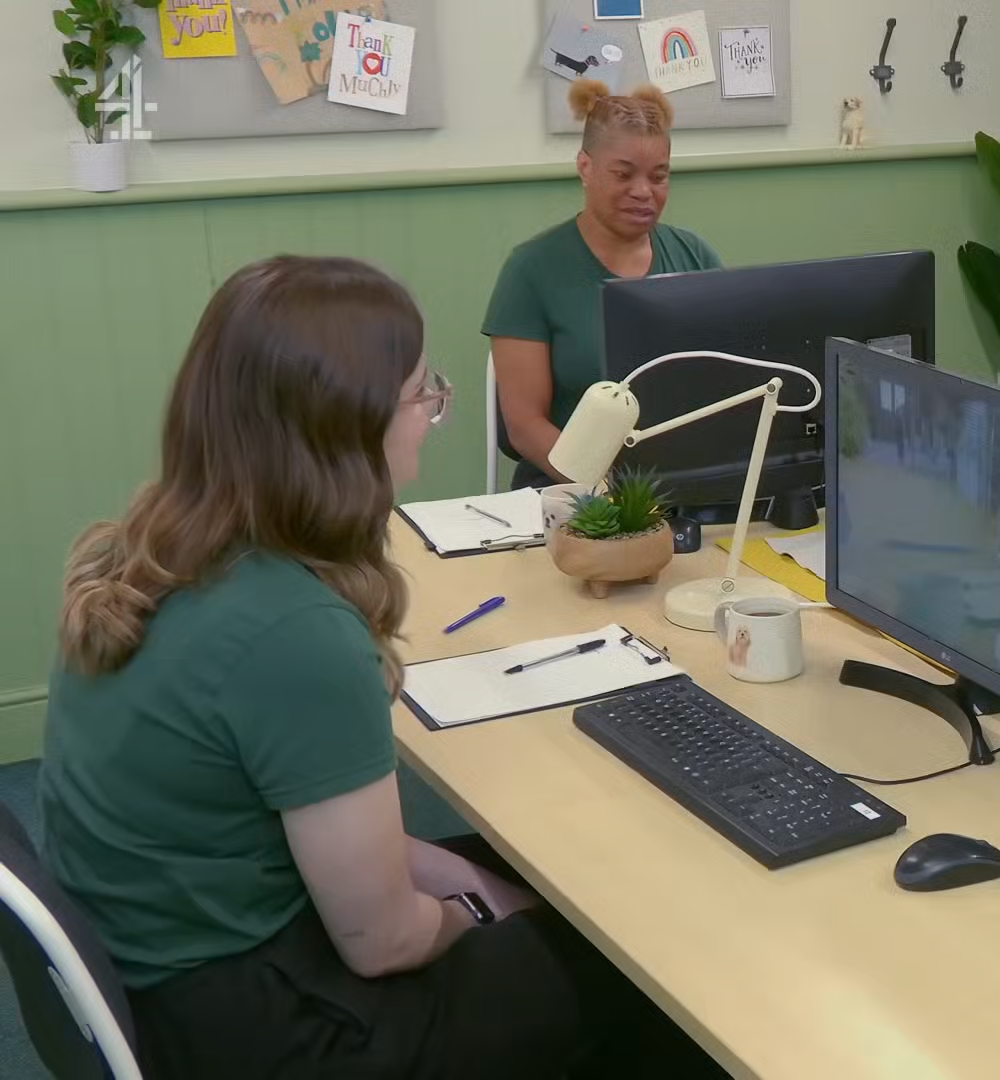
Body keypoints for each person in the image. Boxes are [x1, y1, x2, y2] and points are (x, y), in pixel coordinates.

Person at [39, 256, 724, 1079]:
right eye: (422, 391)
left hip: (163, 973)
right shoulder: (294, 631)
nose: (435, 410)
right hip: (262, 1029)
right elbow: (384, 941)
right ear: (346, 426)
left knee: (559, 889)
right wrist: (479, 912)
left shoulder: (153, 547)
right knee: (655, 970)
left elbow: (344, 840)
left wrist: (485, 890)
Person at [485, 81, 723, 489]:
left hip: (686, 486)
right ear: (585, 167)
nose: (643, 192)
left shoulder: (695, 256)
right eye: (623, 174)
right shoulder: (531, 270)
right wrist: (610, 494)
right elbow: (524, 427)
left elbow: (732, 384)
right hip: (571, 490)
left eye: (659, 176)